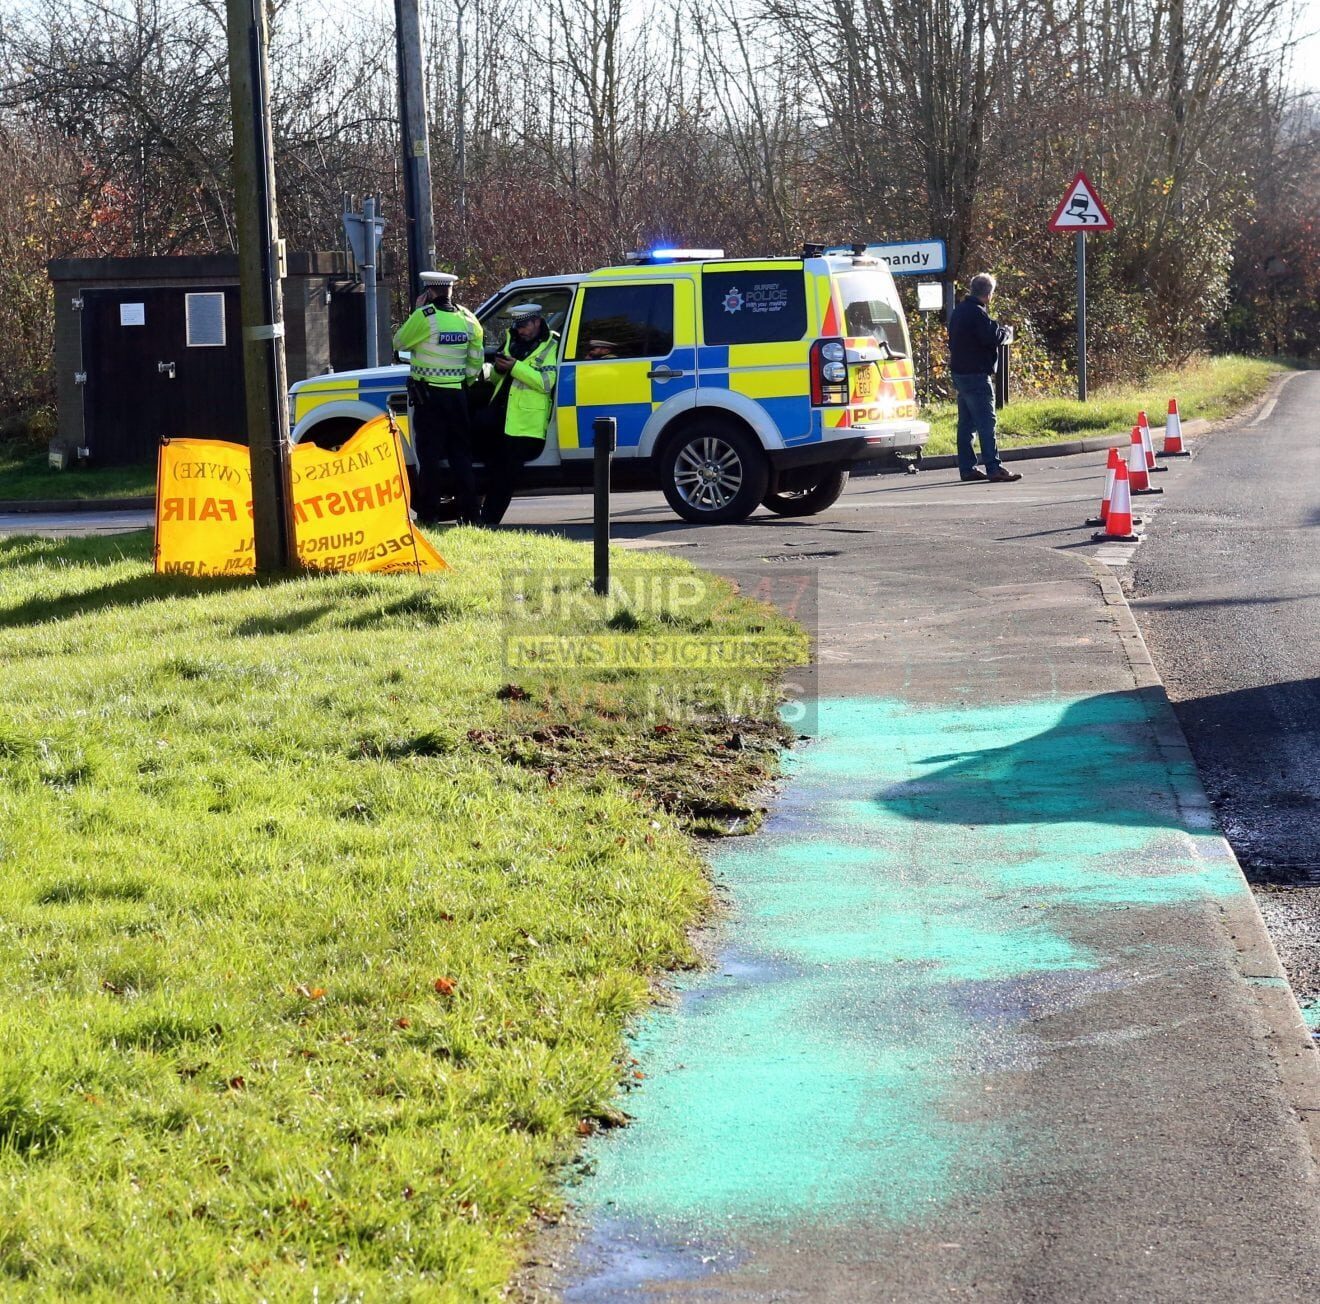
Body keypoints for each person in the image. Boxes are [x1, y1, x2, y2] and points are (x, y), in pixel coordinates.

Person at [391, 271, 484, 523]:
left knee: (429, 457)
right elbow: (476, 361)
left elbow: (399, 342)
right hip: (457, 396)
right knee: (461, 456)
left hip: (430, 398)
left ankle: (429, 515)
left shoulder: (424, 317)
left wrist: (417, 310)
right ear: (450, 291)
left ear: (429, 292)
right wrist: (464, 381)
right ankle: (471, 514)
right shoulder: (468, 319)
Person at [475, 303, 558, 525]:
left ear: (537, 322)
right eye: (517, 326)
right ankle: (476, 516)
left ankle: (488, 522)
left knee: (504, 476)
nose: (520, 330)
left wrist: (515, 367)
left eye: (525, 326)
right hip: (503, 419)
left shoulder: (552, 346)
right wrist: (499, 370)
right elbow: (497, 380)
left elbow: (546, 383)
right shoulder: (512, 342)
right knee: (487, 465)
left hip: (527, 425)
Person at [946, 272, 1021, 483]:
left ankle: (967, 468)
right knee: (987, 422)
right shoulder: (978, 314)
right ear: (988, 295)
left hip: (960, 372)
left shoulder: (959, 311)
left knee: (967, 423)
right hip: (976, 374)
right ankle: (993, 467)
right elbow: (991, 337)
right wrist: (1005, 333)